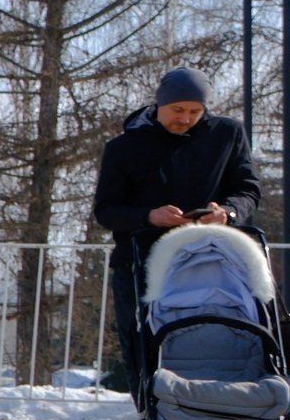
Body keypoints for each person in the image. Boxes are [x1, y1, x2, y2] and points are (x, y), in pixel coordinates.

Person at [92, 66, 262, 402]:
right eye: (178, 111)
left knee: (215, 340)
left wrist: (226, 212)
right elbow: (106, 211)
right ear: (159, 105)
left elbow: (248, 190)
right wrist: (148, 216)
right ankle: (150, 412)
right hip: (141, 262)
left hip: (212, 262)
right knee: (140, 341)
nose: (185, 118)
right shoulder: (124, 147)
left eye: (195, 112)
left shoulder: (227, 134)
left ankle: (221, 410)